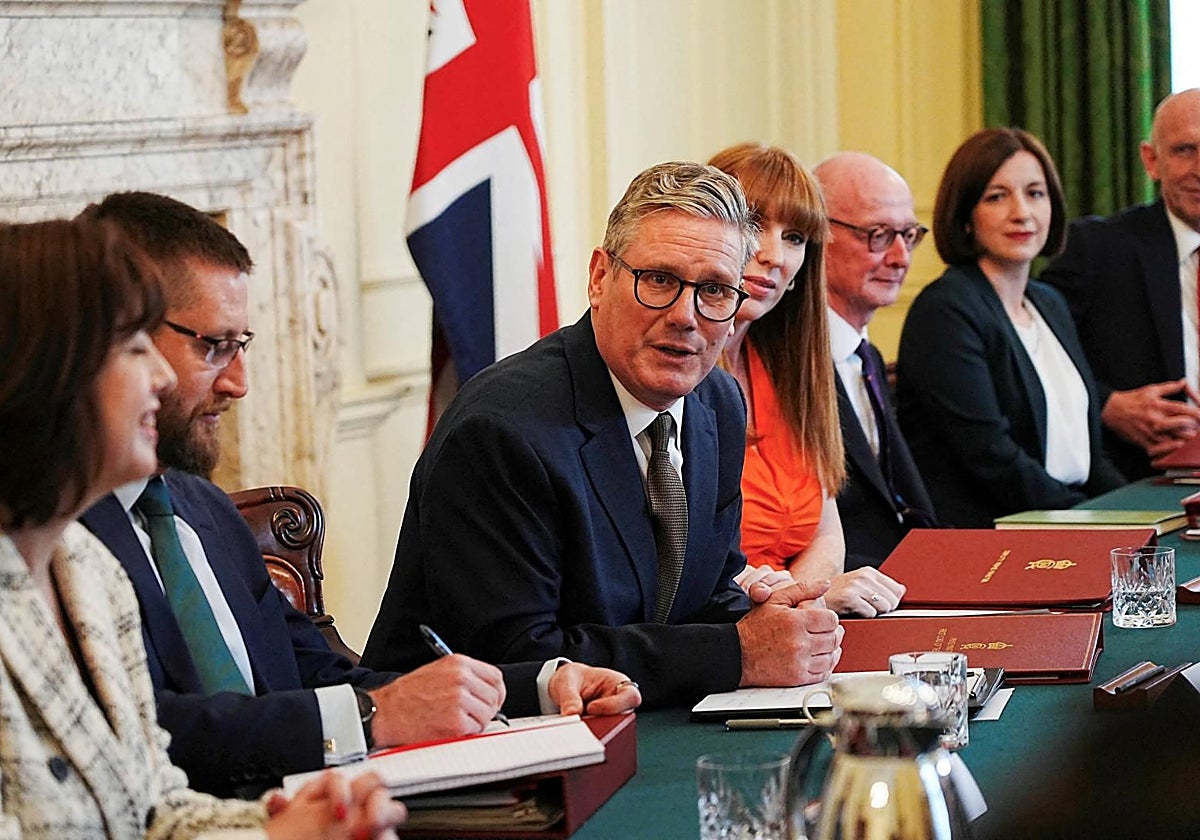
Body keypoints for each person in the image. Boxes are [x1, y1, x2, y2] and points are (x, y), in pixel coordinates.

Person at [78, 192, 640, 798]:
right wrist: (375, 718)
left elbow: (321, 671)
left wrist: (537, 685)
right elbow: (147, 735)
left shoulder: (202, 510)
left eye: (242, 346)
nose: (239, 383)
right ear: (111, 338)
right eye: (214, 347)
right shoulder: (57, 539)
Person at [362, 161, 844, 707]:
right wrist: (736, 653)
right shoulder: (502, 429)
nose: (686, 315)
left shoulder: (717, 404)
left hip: (634, 722)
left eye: (714, 290)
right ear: (599, 277)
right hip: (469, 751)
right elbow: (517, 658)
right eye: (659, 280)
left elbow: (706, 593)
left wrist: (773, 618)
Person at [0, 217, 404, 838]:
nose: (159, 378)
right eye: (135, 347)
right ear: (49, 370)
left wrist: (282, 830)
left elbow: (158, 808)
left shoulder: (87, 571)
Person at [707, 143, 904, 617]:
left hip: (798, 626)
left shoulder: (790, 369)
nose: (773, 255)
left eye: (794, 237)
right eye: (755, 224)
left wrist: (799, 597)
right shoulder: (674, 373)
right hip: (719, 631)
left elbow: (826, 533)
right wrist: (796, 601)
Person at [896, 128, 1125, 528]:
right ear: (965, 215)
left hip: (1066, 517)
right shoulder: (946, 309)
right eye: (997, 197)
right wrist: (1092, 518)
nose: (1022, 212)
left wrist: (1135, 510)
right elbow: (991, 457)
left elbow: (1089, 451)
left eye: (1035, 193)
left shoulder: (1048, 302)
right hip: (993, 535)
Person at [1043, 88, 1200, 480]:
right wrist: (1105, 405)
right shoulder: (1096, 249)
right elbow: (1033, 354)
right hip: (1137, 482)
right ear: (1152, 160)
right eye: (1185, 150)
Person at [812, 152, 938, 570]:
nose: (902, 257)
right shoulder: (787, 366)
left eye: (910, 235)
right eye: (880, 235)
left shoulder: (868, 356)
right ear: (817, 236)